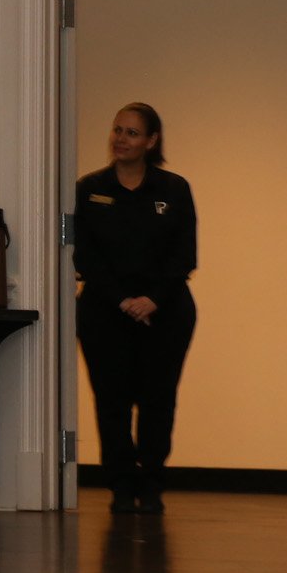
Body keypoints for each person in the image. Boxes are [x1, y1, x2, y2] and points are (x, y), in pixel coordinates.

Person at [73, 102, 197, 515]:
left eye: (131, 133)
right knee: (112, 401)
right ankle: (121, 485)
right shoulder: (89, 188)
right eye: (117, 130)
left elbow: (184, 254)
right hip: (105, 312)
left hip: (166, 312)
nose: (121, 139)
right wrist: (123, 300)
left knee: (158, 400)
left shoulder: (173, 189)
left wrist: (152, 299)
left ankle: (152, 482)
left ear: (151, 141)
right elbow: (85, 256)